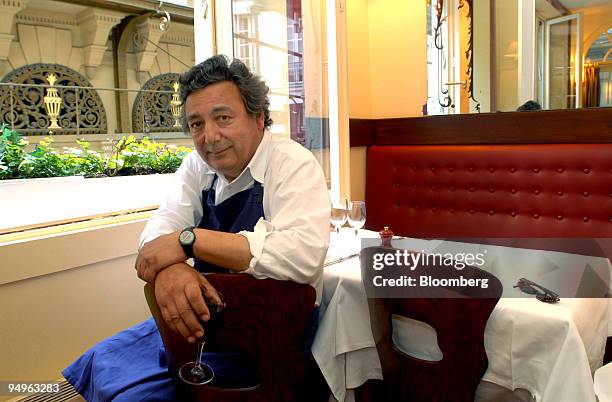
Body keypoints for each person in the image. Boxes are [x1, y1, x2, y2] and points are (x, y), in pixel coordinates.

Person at [63, 55, 331, 401]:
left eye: (223, 117)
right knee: (101, 360)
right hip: (202, 326)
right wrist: (172, 268)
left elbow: (301, 255)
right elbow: (156, 235)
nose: (210, 137)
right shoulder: (196, 166)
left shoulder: (292, 164)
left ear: (259, 119)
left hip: (273, 340)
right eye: (196, 124)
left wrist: (190, 241)